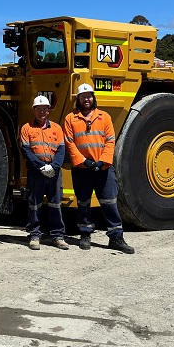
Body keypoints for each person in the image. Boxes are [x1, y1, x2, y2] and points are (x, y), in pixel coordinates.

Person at [64, 83, 134, 253]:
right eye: (83, 97)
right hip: (82, 169)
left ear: (93, 98)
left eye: (89, 96)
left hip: (103, 168)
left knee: (109, 202)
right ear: (78, 100)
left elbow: (110, 141)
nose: (86, 99)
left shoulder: (105, 117)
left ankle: (116, 237)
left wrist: (103, 161)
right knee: (83, 202)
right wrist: (84, 162)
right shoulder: (70, 118)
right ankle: (85, 234)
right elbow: (69, 143)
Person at [19, 95, 69, 250]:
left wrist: (53, 167)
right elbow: (26, 150)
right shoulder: (26, 128)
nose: (42, 111)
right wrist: (41, 166)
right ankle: (34, 235)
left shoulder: (56, 128)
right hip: (36, 172)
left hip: (54, 172)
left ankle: (58, 236)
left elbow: (61, 150)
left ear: (48, 111)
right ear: (34, 110)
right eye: (39, 109)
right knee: (34, 204)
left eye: (44, 109)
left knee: (55, 204)